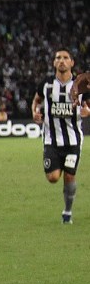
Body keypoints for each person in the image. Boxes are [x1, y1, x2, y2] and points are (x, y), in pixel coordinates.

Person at [31, 48, 88, 224]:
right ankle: (60, 167)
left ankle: (67, 213)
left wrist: (87, 110)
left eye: (65, 58)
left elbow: (87, 105)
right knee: (53, 178)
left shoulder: (81, 84)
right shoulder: (46, 84)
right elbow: (36, 100)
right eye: (58, 58)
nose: (61, 61)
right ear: (54, 63)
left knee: (69, 175)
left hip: (73, 141)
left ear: (72, 63)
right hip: (51, 140)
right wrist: (34, 112)